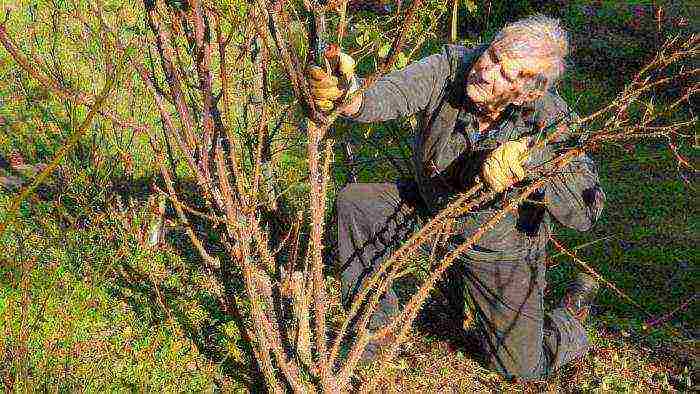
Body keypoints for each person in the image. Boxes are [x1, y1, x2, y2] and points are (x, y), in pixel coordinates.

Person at [308, 14, 606, 381]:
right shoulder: (453, 66)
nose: (486, 70)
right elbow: (391, 94)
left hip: (497, 247)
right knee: (360, 205)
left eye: (506, 74)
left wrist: (532, 159)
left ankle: (570, 319)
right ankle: (371, 340)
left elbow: (585, 211)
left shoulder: (551, 121)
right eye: (493, 55)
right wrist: (348, 95)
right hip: (432, 208)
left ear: (528, 92)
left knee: (522, 370)